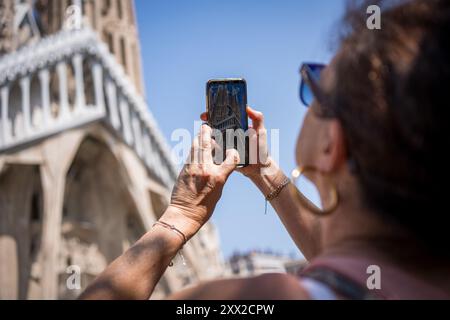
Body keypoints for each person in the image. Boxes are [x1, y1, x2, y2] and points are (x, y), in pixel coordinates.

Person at [80, 0, 450, 300]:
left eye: (314, 87)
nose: (306, 97)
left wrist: (177, 218)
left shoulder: (262, 297)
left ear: (332, 143)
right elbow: (351, 261)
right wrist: (266, 171)